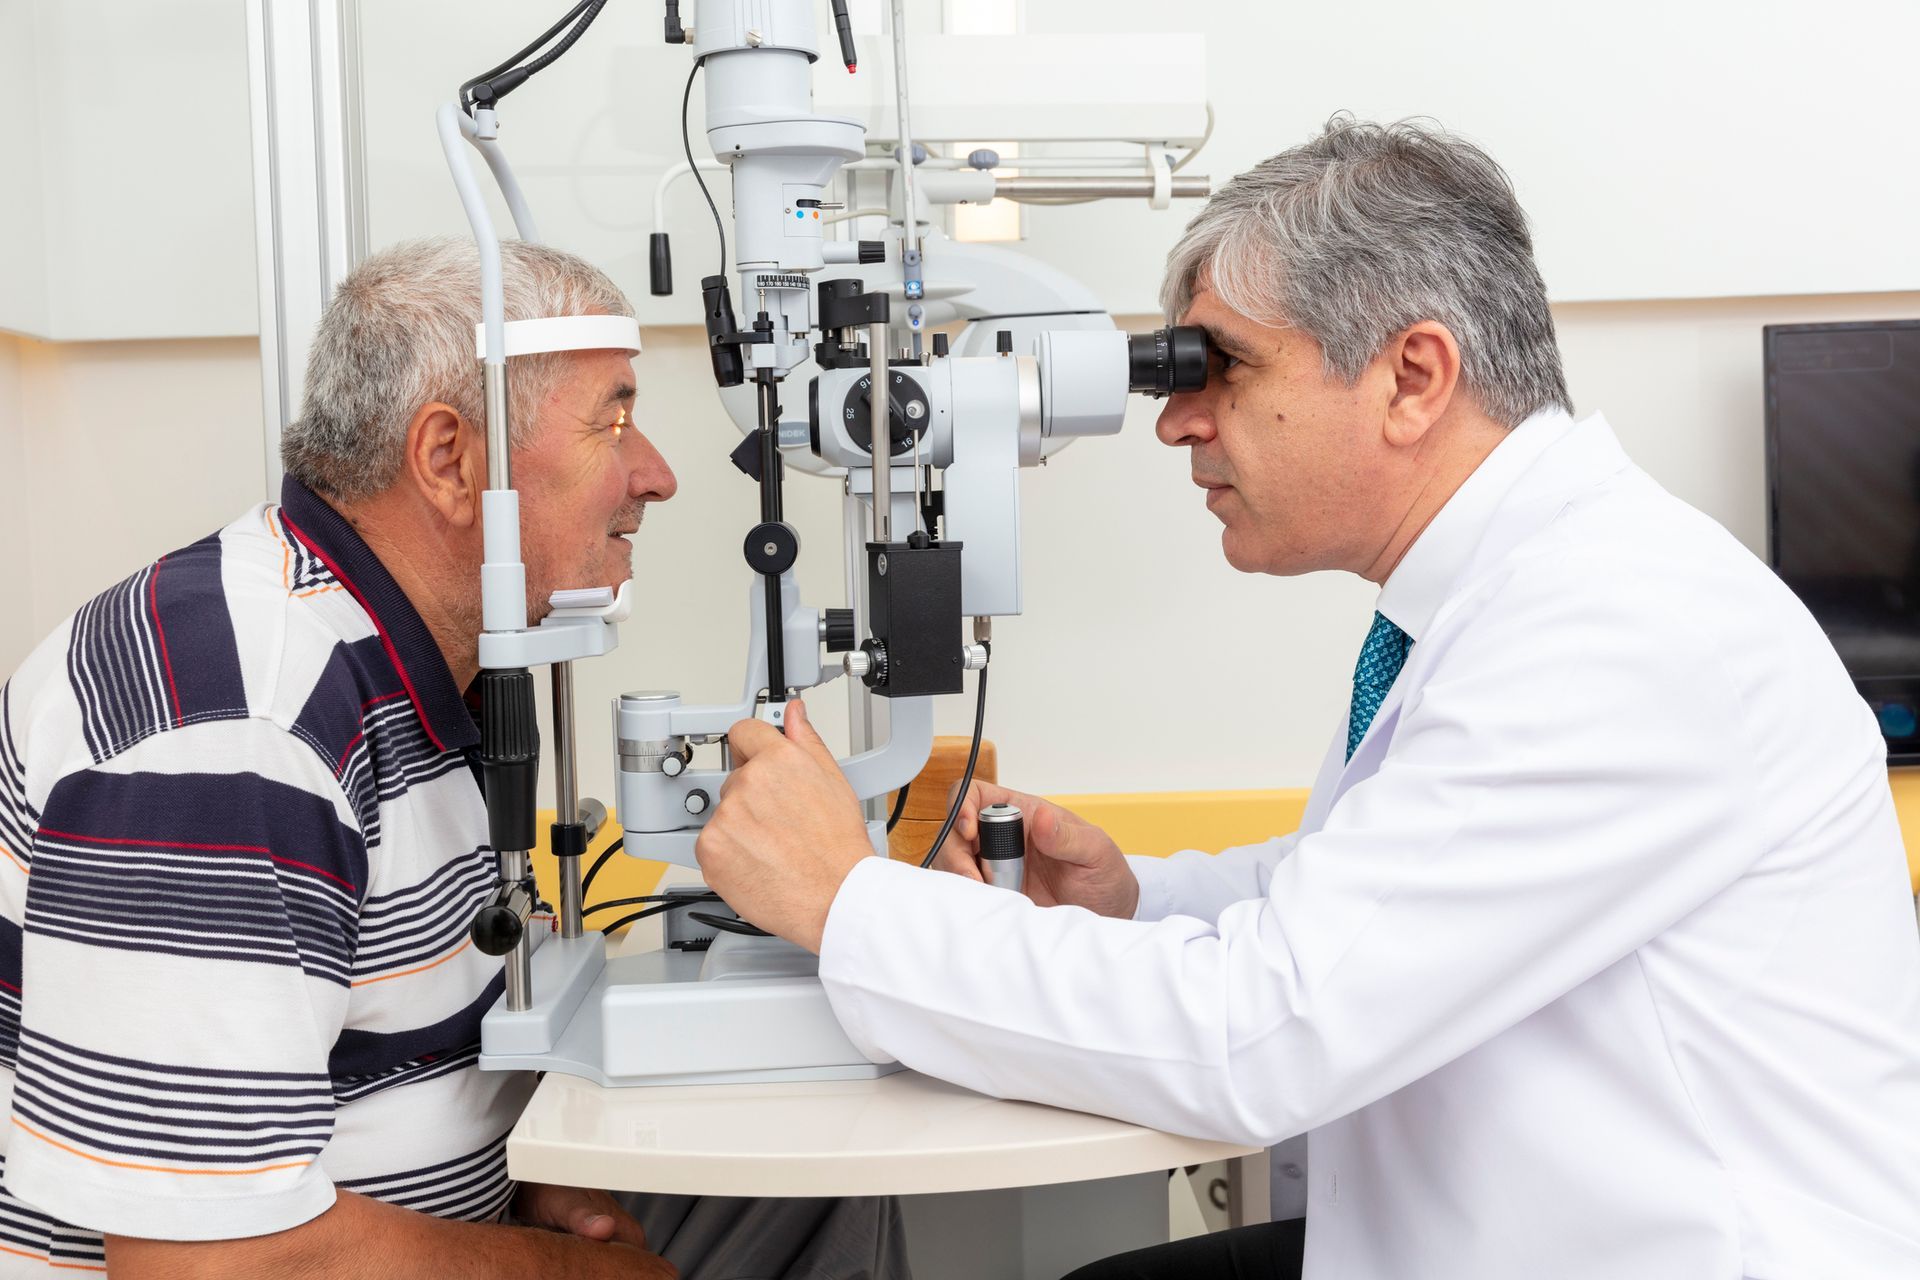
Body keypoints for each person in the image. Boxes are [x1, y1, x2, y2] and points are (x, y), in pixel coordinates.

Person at [694, 116, 1920, 1278]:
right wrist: (1136, 899)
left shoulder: (1614, 627)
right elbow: (1373, 888)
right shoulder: (1505, 595)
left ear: (1413, 375)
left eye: (1218, 366)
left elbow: (1262, 1033)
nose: (1175, 420)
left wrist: (845, 899)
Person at [0, 237, 907, 1279]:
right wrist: (568, 1272)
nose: (653, 472)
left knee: (826, 1176)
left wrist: (532, 1186)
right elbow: (209, 1264)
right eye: (612, 419)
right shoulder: (236, 732)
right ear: (450, 460)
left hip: (432, 1228)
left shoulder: (425, 667)